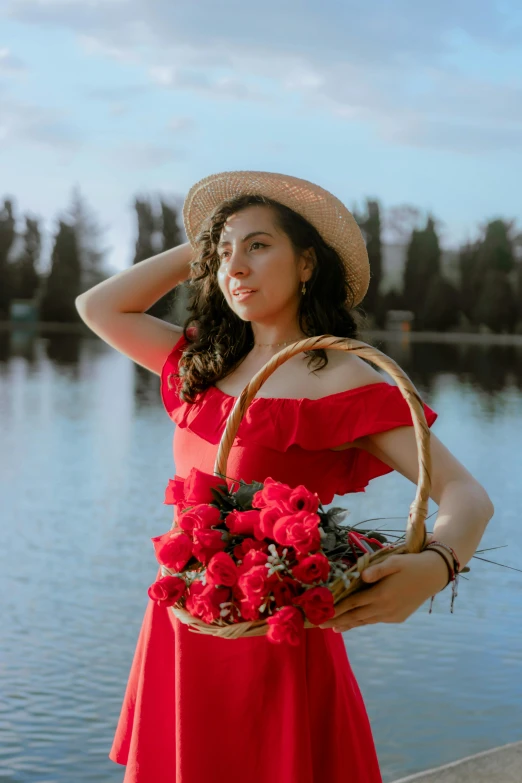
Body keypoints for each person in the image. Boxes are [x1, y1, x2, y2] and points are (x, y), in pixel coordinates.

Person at [76, 171, 494, 783]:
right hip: (180, 630)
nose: (235, 267)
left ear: (306, 264)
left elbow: (466, 494)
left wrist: (437, 565)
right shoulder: (201, 364)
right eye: (225, 254)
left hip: (275, 641)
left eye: (259, 246)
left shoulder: (347, 381)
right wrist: (208, 245)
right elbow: (98, 306)